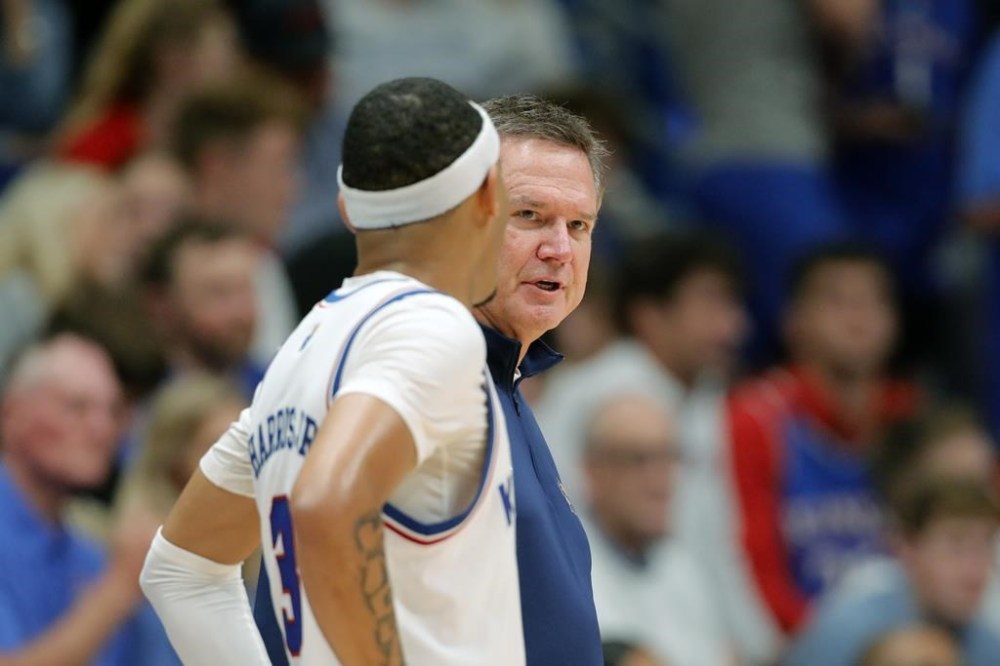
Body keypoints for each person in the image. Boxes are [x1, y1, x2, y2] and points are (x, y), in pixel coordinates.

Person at [140, 76, 521, 665]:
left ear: (348, 210)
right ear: (489, 193)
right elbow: (325, 503)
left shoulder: (298, 351)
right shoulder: (431, 328)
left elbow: (180, 571)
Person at [472, 93, 608, 665]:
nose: (559, 249)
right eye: (529, 215)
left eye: (579, 225)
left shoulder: (504, 380)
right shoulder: (431, 383)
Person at [727, 241, 918, 636]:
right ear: (794, 321)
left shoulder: (913, 415)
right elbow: (750, 572)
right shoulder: (755, 419)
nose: (859, 318)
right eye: (838, 301)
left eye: (874, 301)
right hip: (796, 644)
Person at [0, 334, 156, 664]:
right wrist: (118, 589)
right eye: (76, 407)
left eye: (113, 412)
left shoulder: (92, 555)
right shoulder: (119, 569)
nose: (102, 429)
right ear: (11, 414)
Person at [784, 479, 1000, 666]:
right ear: (907, 549)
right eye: (956, 545)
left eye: (986, 545)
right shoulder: (849, 630)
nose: (975, 568)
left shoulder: (989, 646)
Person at [582, 393, 729, 666]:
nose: (660, 481)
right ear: (593, 471)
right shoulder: (570, 566)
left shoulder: (681, 564)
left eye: (669, 458)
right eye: (638, 460)